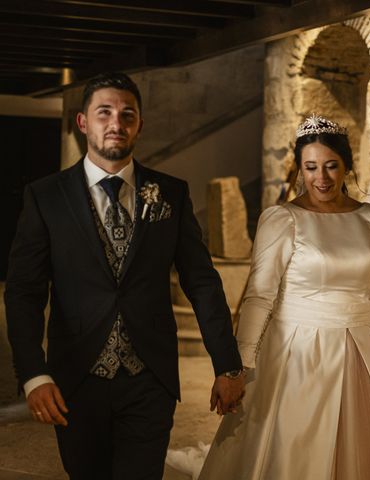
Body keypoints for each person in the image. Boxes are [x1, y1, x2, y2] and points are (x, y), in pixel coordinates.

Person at [4, 72, 245, 479]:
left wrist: (227, 365)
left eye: (127, 114)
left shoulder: (171, 193)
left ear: (139, 124)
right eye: (104, 112)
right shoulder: (46, 197)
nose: (116, 122)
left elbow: (201, 282)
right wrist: (33, 373)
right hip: (75, 380)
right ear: (84, 122)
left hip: (149, 379)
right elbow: (24, 292)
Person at [198, 114, 370, 479]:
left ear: (346, 167)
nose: (320, 178)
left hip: (366, 354)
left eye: (330, 166)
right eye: (310, 167)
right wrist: (238, 367)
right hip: (299, 356)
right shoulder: (282, 219)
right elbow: (259, 298)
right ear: (299, 170)